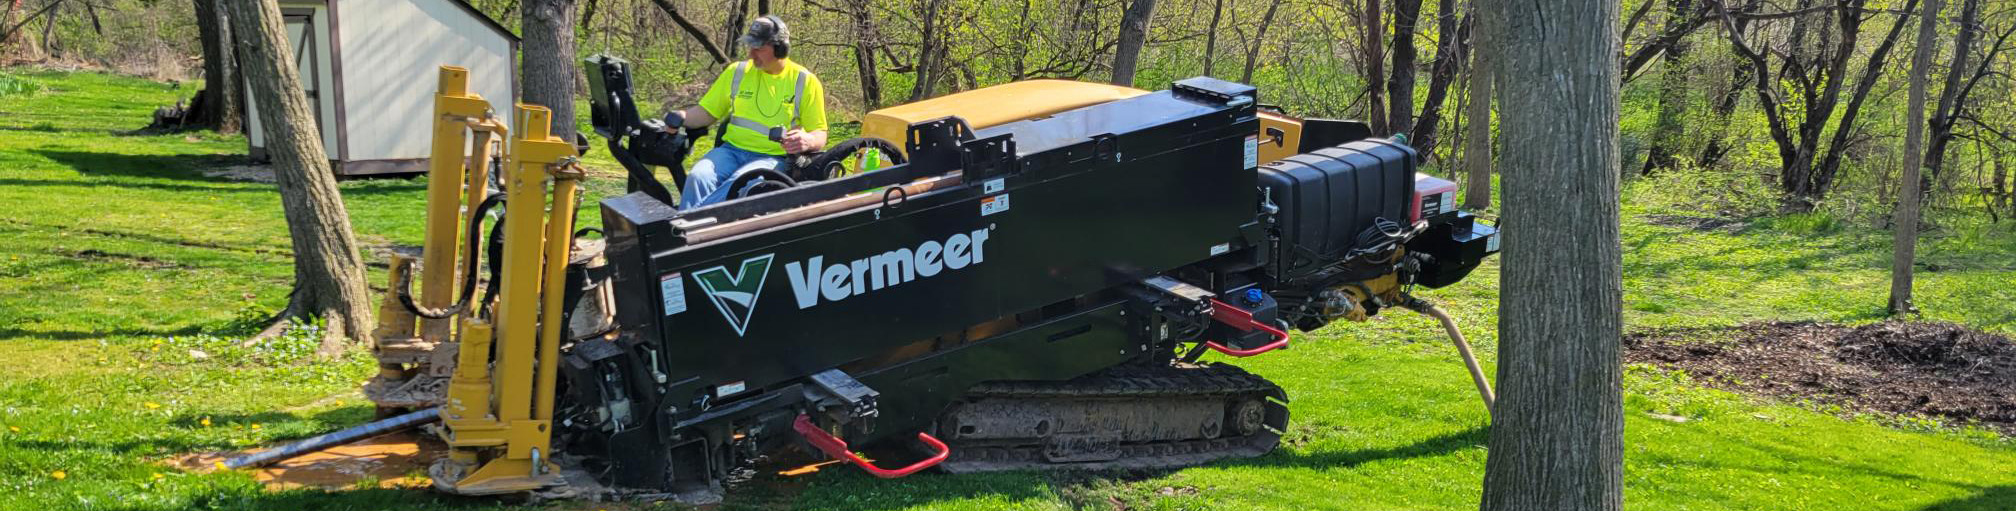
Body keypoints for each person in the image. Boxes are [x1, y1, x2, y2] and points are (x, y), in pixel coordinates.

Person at [663, 15, 828, 209]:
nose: (751, 54)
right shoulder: (737, 72)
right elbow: (706, 112)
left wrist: (807, 140)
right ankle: (686, 232)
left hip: (772, 158)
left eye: (758, 48)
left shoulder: (804, 81)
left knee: (739, 184)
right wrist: (682, 117)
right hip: (731, 150)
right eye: (750, 47)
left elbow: (820, 134)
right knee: (698, 176)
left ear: (780, 49)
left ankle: (689, 225)